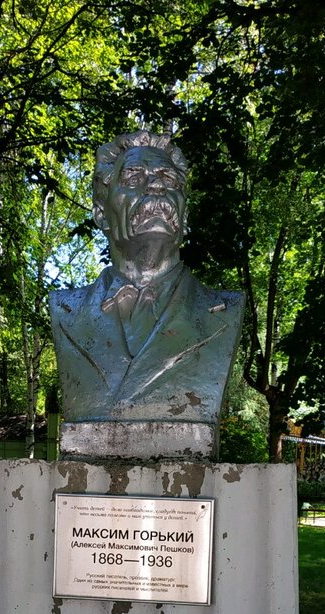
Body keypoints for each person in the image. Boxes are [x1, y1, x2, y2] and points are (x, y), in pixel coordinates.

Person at [50, 130, 244, 459]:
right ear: (101, 212)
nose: (155, 187)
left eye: (168, 179)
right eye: (134, 176)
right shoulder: (66, 310)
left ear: (184, 216)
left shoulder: (224, 310)